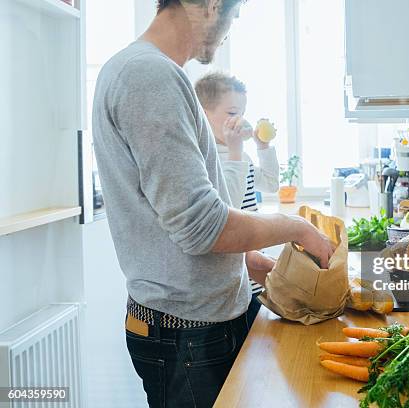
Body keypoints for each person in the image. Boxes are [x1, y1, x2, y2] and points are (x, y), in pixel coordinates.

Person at [91, 1, 335, 407]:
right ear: (208, 5)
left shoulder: (153, 73)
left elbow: (173, 222)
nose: (230, 30)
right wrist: (298, 227)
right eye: (232, 16)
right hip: (189, 334)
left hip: (196, 326)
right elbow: (202, 226)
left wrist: (251, 264)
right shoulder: (148, 76)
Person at [195, 72, 279, 325]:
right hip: (235, 270)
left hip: (252, 270)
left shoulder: (240, 156)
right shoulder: (207, 158)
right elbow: (225, 205)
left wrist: (262, 147)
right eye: (232, 113)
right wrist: (235, 151)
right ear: (202, 114)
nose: (239, 120)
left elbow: (271, 183)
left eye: (241, 112)